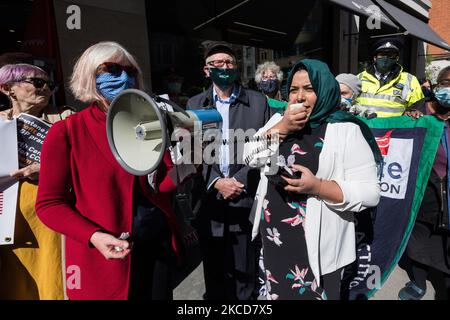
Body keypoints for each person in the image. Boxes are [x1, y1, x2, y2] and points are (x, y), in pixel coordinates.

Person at [35, 41, 183, 300]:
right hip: (101, 259)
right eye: (111, 69)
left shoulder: (149, 124)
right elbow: (49, 204)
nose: (124, 77)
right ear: (88, 75)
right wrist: (93, 236)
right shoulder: (67, 132)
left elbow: (161, 185)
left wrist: (191, 163)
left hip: (155, 250)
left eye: (130, 71)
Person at [243, 59, 382, 300]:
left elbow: (370, 193)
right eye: (294, 90)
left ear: (325, 89)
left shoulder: (346, 129)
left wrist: (318, 187)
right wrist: (283, 128)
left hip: (318, 247)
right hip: (275, 238)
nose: (299, 97)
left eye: (309, 89)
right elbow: (248, 157)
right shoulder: (279, 120)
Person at [186, 40, 271, 300]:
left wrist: (240, 179)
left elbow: (267, 146)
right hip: (209, 199)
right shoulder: (194, 104)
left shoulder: (258, 102)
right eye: (217, 63)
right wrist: (216, 182)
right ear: (206, 70)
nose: (224, 67)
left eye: (229, 63)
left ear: (237, 68)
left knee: (244, 269)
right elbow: (190, 151)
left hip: (244, 198)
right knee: (214, 271)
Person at [0, 63, 73, 300]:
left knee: (52, 276)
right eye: (38, 83)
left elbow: (87, 162)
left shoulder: (66, 118)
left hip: (51, 214)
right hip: (9, 218)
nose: (47, 90)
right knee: (16, 283)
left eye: (51, 85)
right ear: (7, 88)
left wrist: (48, 169)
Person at [399, 65, 450, 300]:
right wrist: (409, 122)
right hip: (424, 192)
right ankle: (418, 283)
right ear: (437, 86)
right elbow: (398, 142)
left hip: (447, 194)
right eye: (446, 83)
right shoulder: (420, 111)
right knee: (418, 239)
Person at [356, 38, 424, 117]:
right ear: (375, 57)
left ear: (397, 58)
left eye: (390, 55)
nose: (385, 58)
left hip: (393, 128)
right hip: (363, 128)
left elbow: (417, 107)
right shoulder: (360, 78)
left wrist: (412, 111)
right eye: (382, 54)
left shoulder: (410, 80)